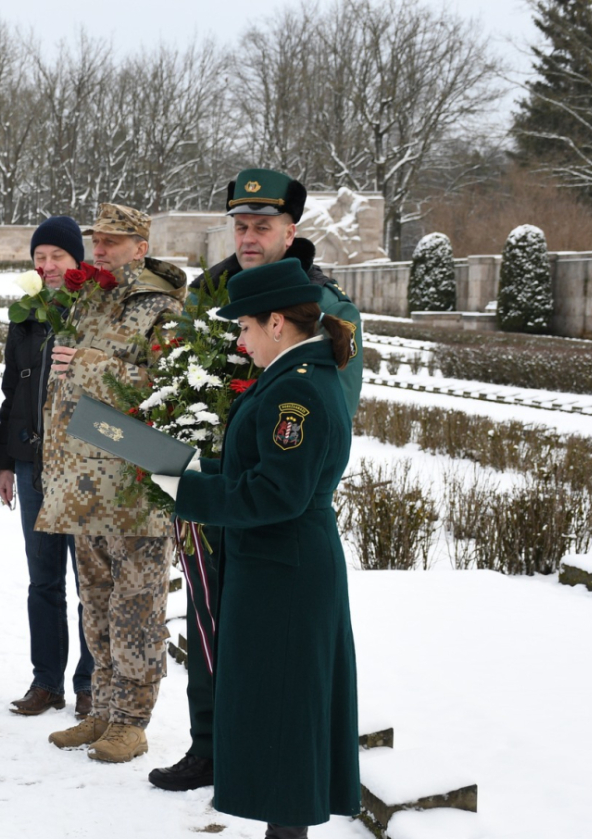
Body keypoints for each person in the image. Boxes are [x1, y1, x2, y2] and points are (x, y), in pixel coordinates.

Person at [149, 168, 364, 793]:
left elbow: (322, 425)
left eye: (261, 226)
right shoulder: (208, 293)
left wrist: (206, 480)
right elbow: (171, 370)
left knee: (270, 662)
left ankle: (263, 789)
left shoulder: (318, 307)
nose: (247, 236)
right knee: (211, 627)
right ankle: (211, 746)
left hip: (262, 504)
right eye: (239, 225)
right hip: (219, 488)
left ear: (289, 230)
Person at [36, 203, 186, 763]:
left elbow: (170, 388)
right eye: (97, 240)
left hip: (134, 480)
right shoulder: (90, 299)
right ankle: (100, 707)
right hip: (83, 481)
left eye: (113, 242)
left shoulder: (164, 308)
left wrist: (93, 366)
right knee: (94, 602)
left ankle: (132, 720)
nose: (99, 251)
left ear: (141, 247)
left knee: (137, 605)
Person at [0, 216, 95, 719]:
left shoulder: (96, 313)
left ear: (78, 261)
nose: (48, 265)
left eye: (57, 256)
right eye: (40, 258)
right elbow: (12, 393)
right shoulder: (26, 318)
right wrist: (5, 463)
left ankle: (90, 684)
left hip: (83, 469)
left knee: (90, 584)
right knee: (44, 582)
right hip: (33, 466)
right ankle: (46, 681)